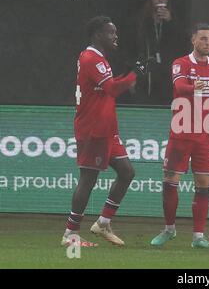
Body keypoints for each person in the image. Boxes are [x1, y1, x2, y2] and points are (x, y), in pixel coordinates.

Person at [150, 23, 209, 249]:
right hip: (181, 133)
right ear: (193, 40)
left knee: (203, 185)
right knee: (170, 182)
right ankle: (169, 230)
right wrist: (195, 85)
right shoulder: (180, 63)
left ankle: (197, 237)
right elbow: (179, 86)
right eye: (203, 38)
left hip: (205, 135)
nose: (208, 43)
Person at [61, 16, 147, 247]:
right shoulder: (91, 58)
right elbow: (111, 88)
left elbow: (106, 86)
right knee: (88, 179)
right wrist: (134, 74)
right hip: (94, 129)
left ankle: (103, 222)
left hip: (106, 128)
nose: (115, 36)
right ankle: (70, 234)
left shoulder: (97, 58)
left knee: (127, 172)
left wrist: (127, 75)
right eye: (111, 32)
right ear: (98, 34)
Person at [133, 0, 188, 105]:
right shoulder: (142, 18)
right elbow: (135, 43)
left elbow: (182, 42)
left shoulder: (175, 17)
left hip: (167, 71)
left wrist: (170, 21)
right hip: (147, 72)